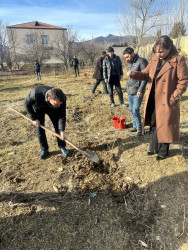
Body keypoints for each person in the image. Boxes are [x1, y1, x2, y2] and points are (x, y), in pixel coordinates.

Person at [128, 35, 188, 160]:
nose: (158, 54)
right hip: (153, 98)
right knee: (154, 123)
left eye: (161, 51)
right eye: (156, 51)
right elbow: (145, 74)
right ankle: (153, 148)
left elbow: (183, 81)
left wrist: (174, 98)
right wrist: (134, 74)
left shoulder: (179, 60)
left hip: (166, 100)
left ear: (169, 48)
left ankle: (163, 151)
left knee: (164, 125)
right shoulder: (155, 59)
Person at [24, 85, 69, 159]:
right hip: (38, 107)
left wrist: (62, 130)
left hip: (53, 110)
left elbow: (62, 115)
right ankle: (44, 149)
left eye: (60, 104)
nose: (59, 105)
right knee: (40, 128)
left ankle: (62, 146)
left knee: (58, 126)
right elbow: (26, 104)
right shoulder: (35, 94)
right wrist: (34, 118)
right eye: (57, 104)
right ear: (49, 98)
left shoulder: (62, 98)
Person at [123, 47, 148, 136]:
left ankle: (139, 129)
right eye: (125, 57)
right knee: (131, 109)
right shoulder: (129, 63)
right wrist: (126, 91)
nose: (127, 59)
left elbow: (145, 77)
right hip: (130, 90)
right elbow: (129, 79)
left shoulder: (142, 61)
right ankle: (134, 126)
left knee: (135, 109)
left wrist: (141, 90)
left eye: (128, 56)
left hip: (137, 90)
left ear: (132, 53)